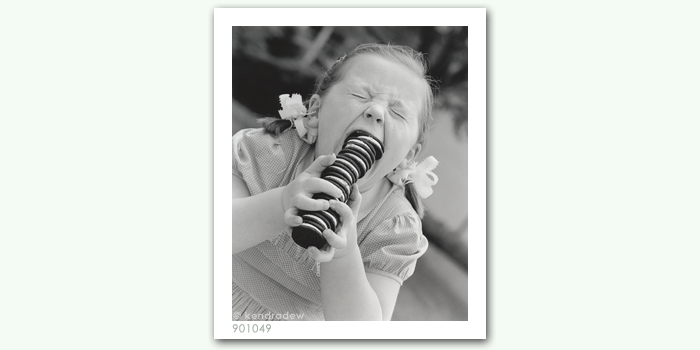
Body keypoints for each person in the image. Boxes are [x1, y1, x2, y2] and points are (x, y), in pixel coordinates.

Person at [232, 43, 439, 321]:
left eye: (398, 113)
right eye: (360, 94)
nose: (376, 111)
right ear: (316, 112)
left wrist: (343, 252)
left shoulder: (392, 227)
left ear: (408, 156)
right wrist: (283, 203)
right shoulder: (269, 153)